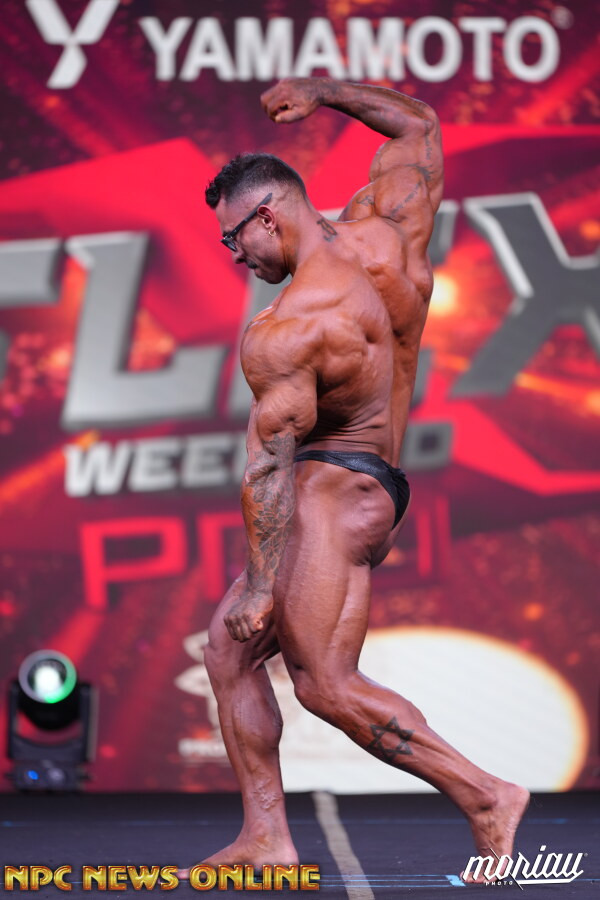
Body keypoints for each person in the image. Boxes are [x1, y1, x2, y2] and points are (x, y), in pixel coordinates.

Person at [184, 78, 529, 882]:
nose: (235, 255)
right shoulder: (387, 231)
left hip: (333, 490)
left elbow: (269, 465)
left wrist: (262, 583)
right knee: (229, 654)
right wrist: (325, 92)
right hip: (365, 476)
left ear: (268, 216)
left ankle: (486, 795)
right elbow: (418, 126)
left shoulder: (289, 328)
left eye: (235, 238)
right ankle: (267, 837)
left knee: (326, 684)